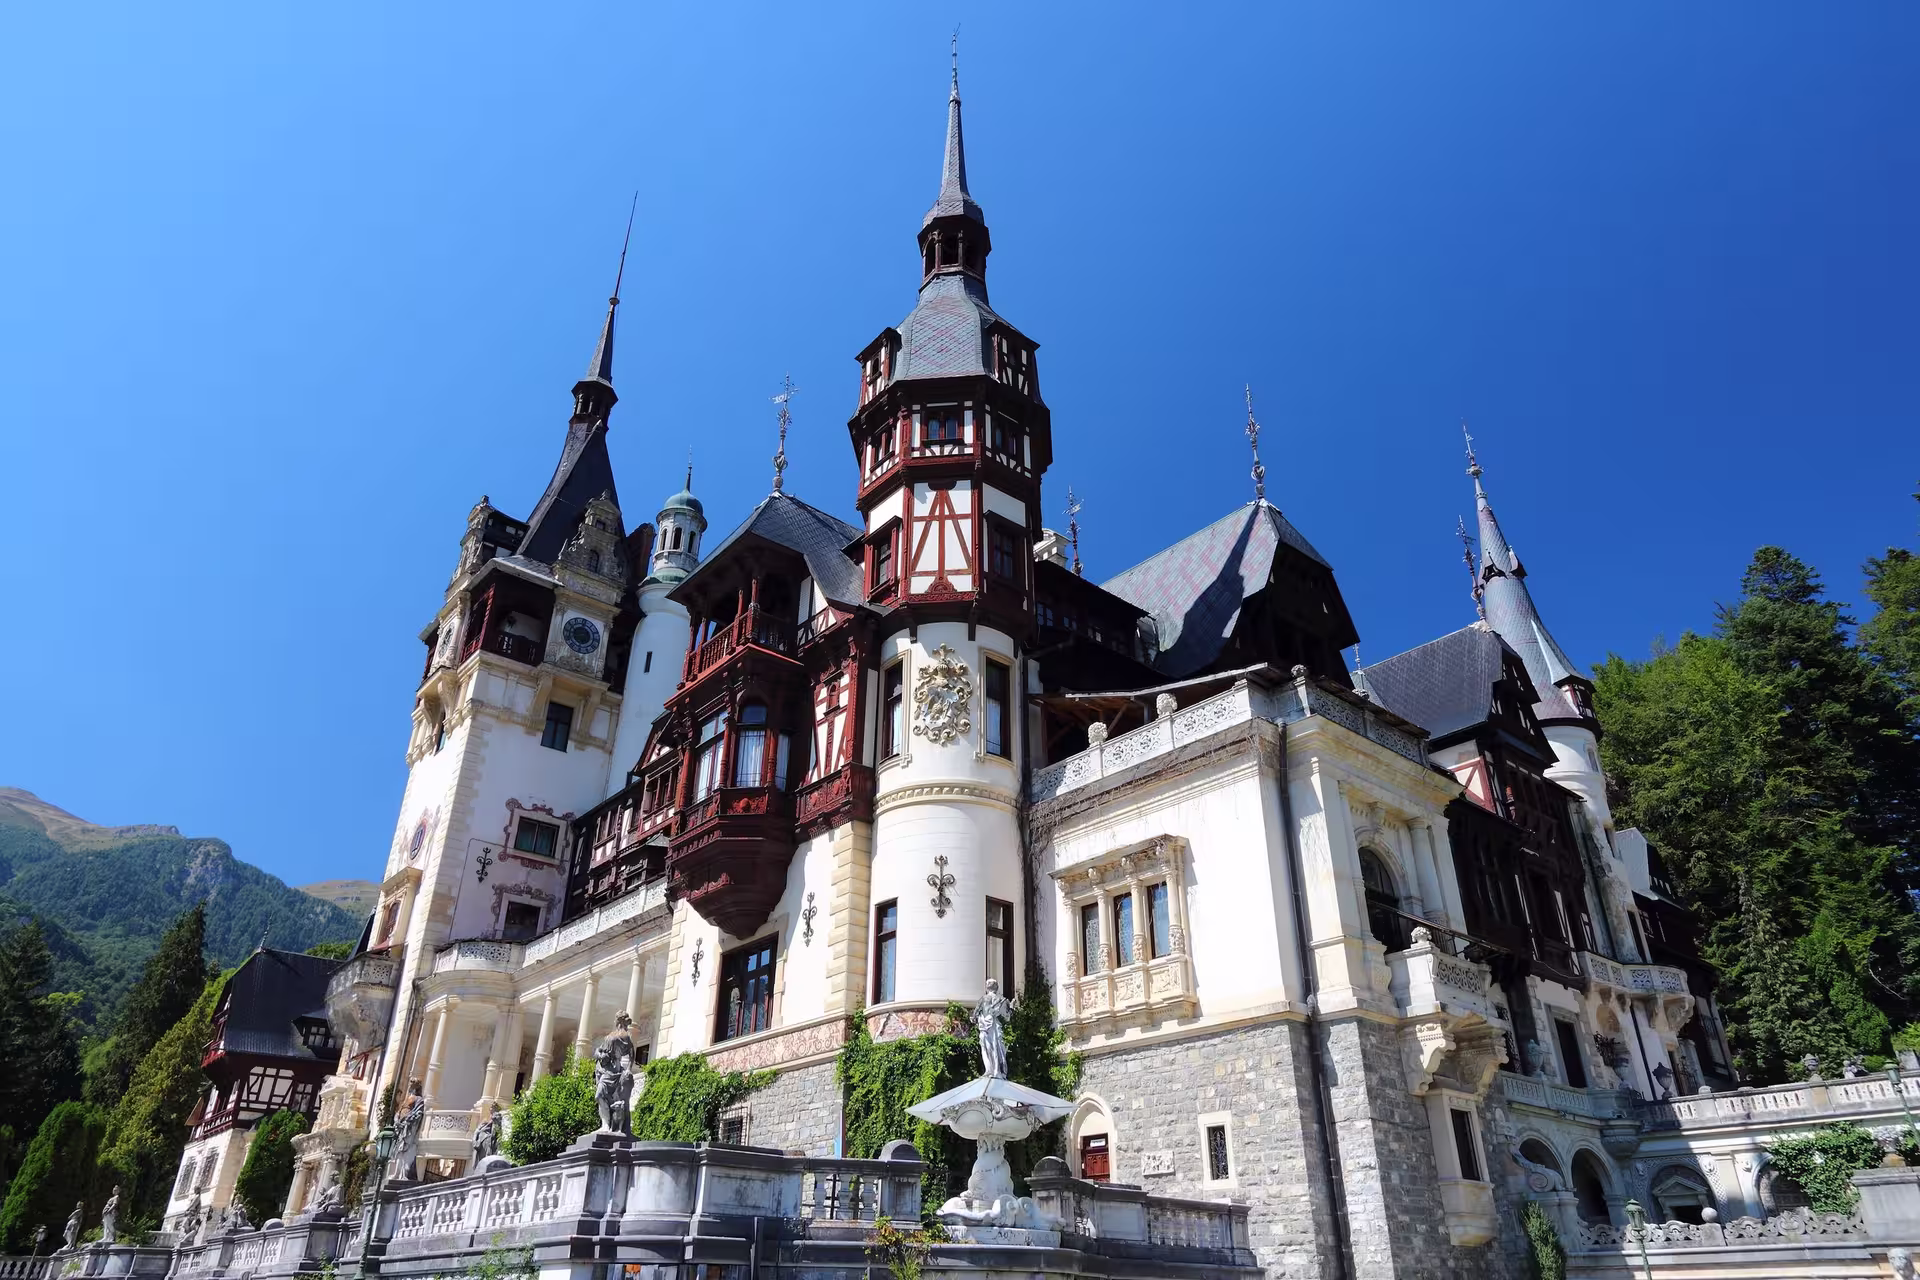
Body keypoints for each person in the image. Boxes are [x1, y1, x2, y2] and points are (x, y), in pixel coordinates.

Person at [974, 980, 1012, 1079]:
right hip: (996, 1027)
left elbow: (975, 1015)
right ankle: (997, 1071)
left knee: (987, 1048)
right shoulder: (1003, 1000)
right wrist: (1011, 1007)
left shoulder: (982, 999)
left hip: (985, 1027)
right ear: (997, 987)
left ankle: (989, 1070)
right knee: (998, 1048)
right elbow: (1007, 1017)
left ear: (987, 987)